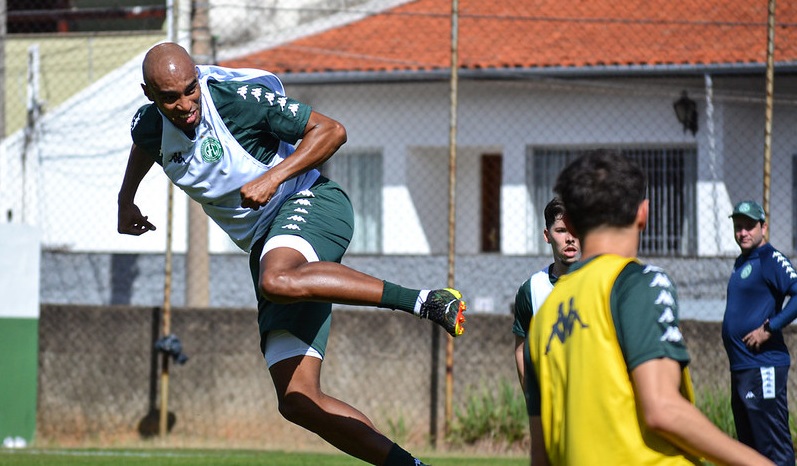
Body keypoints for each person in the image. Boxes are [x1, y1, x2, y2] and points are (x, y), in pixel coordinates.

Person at [117, 42, 467, 466]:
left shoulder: (233, 102)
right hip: (266, 246)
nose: (186, 103)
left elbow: (331, 130)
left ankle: (426, 300)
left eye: (191, 89)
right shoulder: (148, 125)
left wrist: (273, 177)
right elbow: (145, 144)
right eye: (171, 97)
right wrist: (126, 200)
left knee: (276, 279)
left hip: (311, 201)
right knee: (297, 399)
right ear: (148, 94)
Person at [525, 150, 772, 465]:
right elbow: (661, 409)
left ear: (570, 221)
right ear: (643, 213)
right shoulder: (636, 283)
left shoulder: (544, 316)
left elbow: (540, 454)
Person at [723, 200, 797, 466]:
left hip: (763, 367)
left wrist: (770, 328)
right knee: (750, 448)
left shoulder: (770, 258)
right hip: (743, 367)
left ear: (763, 227)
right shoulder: (743, 261)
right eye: (738, 227)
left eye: (749, 227)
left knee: (773, 446)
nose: (743, 233)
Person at [512, 197, 579, 392]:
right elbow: (521, 348)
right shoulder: (532, 289)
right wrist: (533, 401)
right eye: (561, 230)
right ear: (547, 235)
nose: (570, 238)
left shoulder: (602, 284)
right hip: (551, 404)